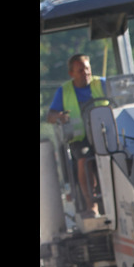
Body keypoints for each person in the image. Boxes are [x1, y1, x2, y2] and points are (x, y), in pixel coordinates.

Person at [47, 54, 108, 217]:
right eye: (80, 70)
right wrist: (58, 117)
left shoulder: (101, 83)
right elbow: (50, 116)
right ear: (71, 74)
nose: (85, 72)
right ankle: (92, 205)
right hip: (81, 139)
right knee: (83, 159)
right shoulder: (64, 91)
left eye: (87, 68)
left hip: (104, 133)